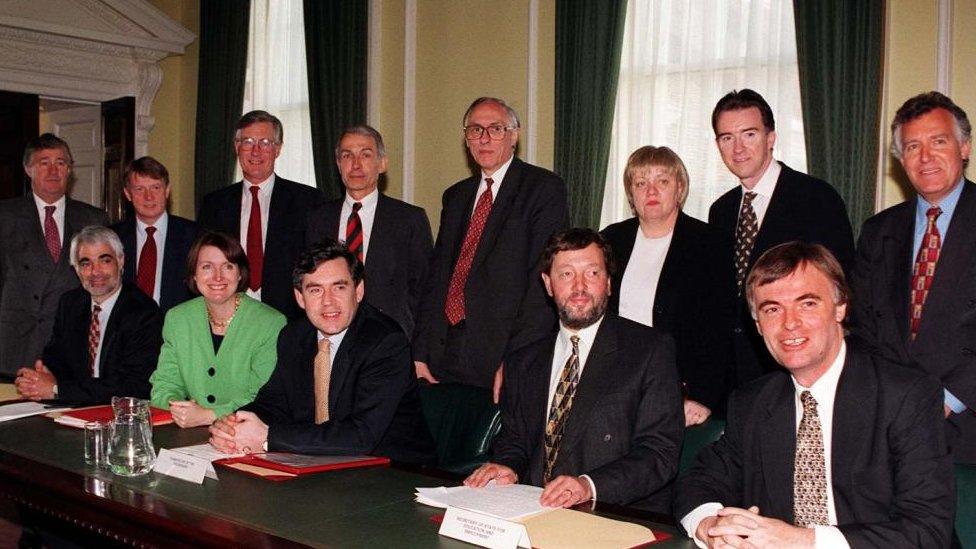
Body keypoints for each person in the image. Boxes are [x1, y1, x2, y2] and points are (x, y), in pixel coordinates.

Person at [676, 242, 954, 548]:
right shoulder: (753, 402)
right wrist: (712, 526)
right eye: (772, 309)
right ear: (757, 325)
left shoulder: (906, 395)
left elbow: (928, 531)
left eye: (807, 303)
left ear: (840, 307)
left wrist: (805, 540)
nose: (789, 323)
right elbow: (699, 482)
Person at [465, 229, 683, 513]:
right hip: (530, 508)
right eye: (566, 274)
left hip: (613, 513)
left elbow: (660, 454)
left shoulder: (649, 351)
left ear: (608, 283)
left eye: (592, 273)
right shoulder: (523, 361)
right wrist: (507, 467)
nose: (579, 287)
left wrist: (588, 486)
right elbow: (515, 441)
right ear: (548, 284)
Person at [208, 239, 435, 465]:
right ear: (300, 298)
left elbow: (360, 435)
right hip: (318, 464)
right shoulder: (293, 336)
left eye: (339, 287)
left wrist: (268, 437)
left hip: (394, 473)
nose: (328, 302)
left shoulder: (385, 342)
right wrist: (234, 424)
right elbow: (274, 402)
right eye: (315, 290)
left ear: (358, 290)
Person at [413, 97, 569, 399]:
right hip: (442, 354)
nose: (483, 138)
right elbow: (437, 278)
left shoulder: (543, 189)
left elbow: (543, 284)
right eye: (474, 130)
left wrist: (517, 359)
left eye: (495, 129)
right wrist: (419, 350)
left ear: (514, 135)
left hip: (501, 356)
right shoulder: (455, 197)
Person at [851, 91, 976, 464]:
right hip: (888, 431)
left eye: (938, 142)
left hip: (968, 426)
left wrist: (947, 400)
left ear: (964, 147)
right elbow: (859, 327)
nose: (925, 158)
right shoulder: (878, 231)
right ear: (900, 159)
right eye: (912, 147)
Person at [707, 89, 855, 387]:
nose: (738, 148)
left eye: (749, 134)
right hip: (737, 378)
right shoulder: (720, 211)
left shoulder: (817, 198)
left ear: (770, 138)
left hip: (799, 367)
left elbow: (840, 289)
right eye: (727, 138)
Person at [601, 146, 733, 424]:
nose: (651, 191)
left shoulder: (709, 244)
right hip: (615, 387)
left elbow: (719, 331)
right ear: (631, 193)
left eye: (662, 181)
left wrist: (702, 396)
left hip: (681, 393)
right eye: (641, 183)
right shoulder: (610, 240)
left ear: (680, 188)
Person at [197, 110, 326, 319]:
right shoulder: (214, 204)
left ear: (278, 149)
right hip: (228, 315)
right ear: (236, 147)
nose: (256, 151)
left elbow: (315, 266)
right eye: (247, 142)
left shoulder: (307, 201)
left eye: (265, 142)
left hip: (288, 317)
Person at [305, 125, 433, 336]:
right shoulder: (317, 219)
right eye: (347, 156)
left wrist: (420, 354)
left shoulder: (409, 219)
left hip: (392, 338)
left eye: (365, 154)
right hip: (330, 335)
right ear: (338, 165)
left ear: (382, 164)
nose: (355, 164)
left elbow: (425, 292)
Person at [149, 232, 286, 428]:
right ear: (194, 275)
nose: (218, 277)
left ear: (240, 273)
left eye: (227, 266)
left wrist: (209, 415)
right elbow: (165, 384)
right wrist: (180, 408)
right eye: (207, 267)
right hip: (188, 436)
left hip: (247, 435)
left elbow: (264, 396)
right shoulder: (178, 319)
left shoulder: (270, 323)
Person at [14, 226, 162, 405]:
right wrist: (42, 376)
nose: (95, 271)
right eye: (86, 264)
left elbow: (133, 386)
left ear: (121, 261)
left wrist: (56, 389)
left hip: (119, 414)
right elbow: (56, 358)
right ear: (76, 269)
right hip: (71, 411)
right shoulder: (70, 303)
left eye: (105, 261)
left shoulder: (144, 312)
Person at [0, 133, 108, 377]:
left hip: (70, 343)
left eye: (61, 163)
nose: (53, 170)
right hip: (14, 345)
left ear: (69, 170)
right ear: (28, 169)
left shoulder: (93, 218)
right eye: (44, 162)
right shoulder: (5, 216)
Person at [111, 156, 197, 314]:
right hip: (128, 332)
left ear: (167, 190)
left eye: (155, 188)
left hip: (179, 330)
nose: (148, 197)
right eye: (139, 189)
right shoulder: (112, 238)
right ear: (127, 194)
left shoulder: (194, 236)